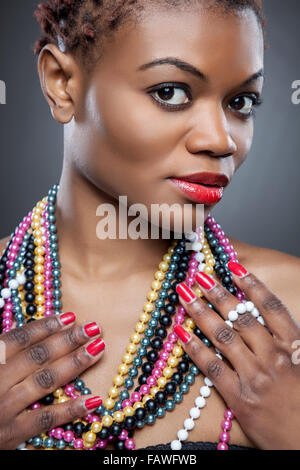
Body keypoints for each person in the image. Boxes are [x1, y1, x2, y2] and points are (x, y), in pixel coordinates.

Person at [0, 0, 299, 451]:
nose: (220, 140)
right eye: (170, 92)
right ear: (62, 84)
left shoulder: (290, 311)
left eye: (241, 101)